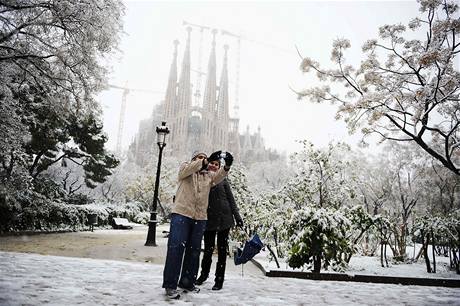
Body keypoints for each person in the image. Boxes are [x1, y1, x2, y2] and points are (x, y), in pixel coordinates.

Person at [162, 150, 234, 300]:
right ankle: (170, 285)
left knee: (194, 251)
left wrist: (227, 166)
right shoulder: (186, 168)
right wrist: (203, 162)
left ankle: (187, 282)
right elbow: (185, 171)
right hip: (182, 214)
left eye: (204, 158)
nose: (203, 160)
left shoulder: (208, 176)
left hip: (200, 218)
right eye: (199, 158)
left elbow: (219, 176)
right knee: (176, 248)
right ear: (194, 159)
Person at [195, 156, 243, 291]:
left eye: (217, 164)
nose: (214, 166)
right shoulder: (203, 179)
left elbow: (231, 199)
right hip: (209, 219)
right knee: (208, 250)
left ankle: (219, 280)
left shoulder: (223, 180)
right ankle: (203, 275)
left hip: (224, 219)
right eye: (212, 163)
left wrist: (237, 217)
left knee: (222, 251)